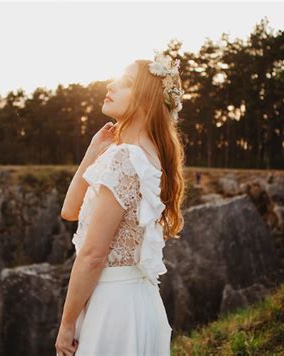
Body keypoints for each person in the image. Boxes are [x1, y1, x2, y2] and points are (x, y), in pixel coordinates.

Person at [56, 49, 186, 356]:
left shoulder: (125, 158)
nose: (110, 86)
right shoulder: (145, 156)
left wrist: (66, 324)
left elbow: (92, 255)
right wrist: (92, 151)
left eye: (124, 83)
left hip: (112, 309)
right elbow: (69, 211)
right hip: (139, 303)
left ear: (144, 99)